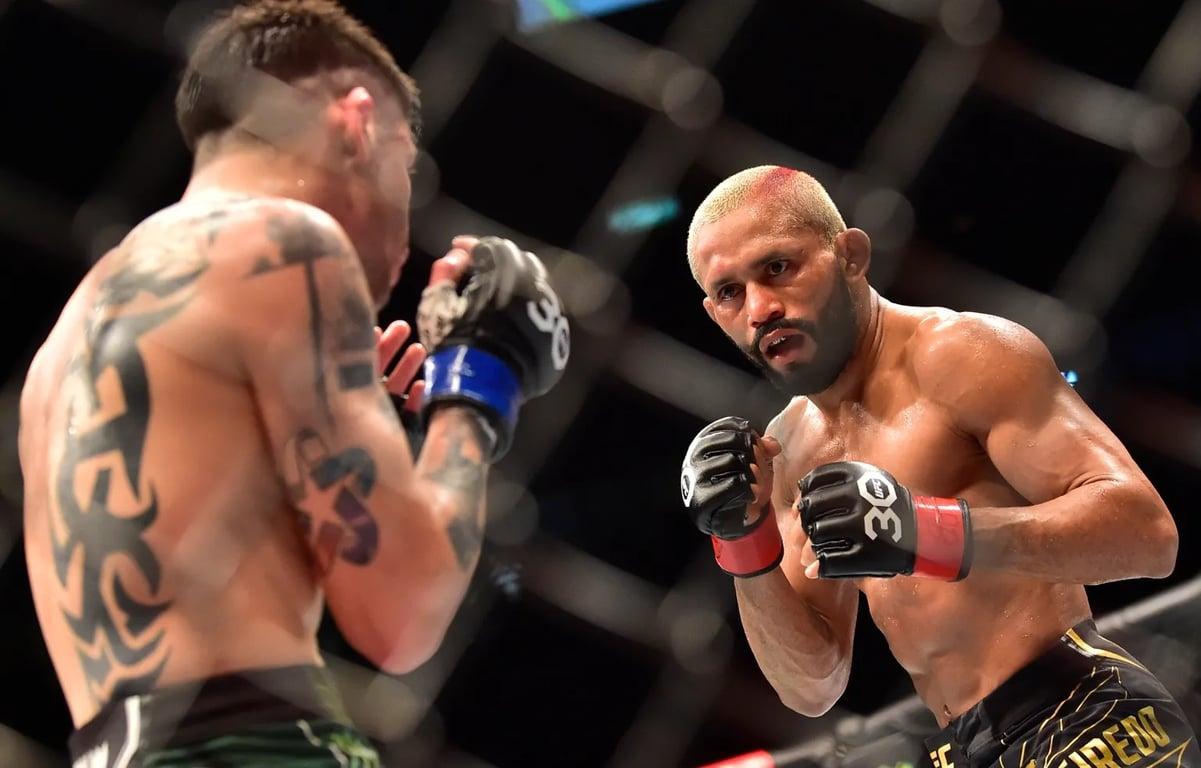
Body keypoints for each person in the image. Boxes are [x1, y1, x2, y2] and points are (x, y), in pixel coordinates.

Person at [18, 2, 568, 765]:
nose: (407, 234)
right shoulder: (288, 243)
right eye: (406, 164)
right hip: (264, 745)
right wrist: (476, 384)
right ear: (356, 121)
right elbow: (404, 618)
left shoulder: (72, 334)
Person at [679, 165, 1197, 768]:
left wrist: (928, 531)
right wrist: (743, 540)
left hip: (1082, 710)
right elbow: (813, 686)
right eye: (729, 292)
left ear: (850, 255)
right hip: (964, 748)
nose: (761, 308)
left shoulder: (962, 356)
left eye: (777, 268)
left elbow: (1148, 535)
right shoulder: (788, 450)